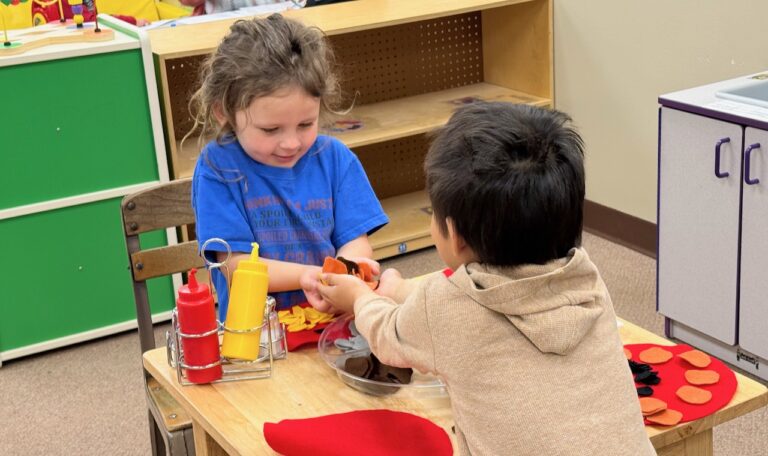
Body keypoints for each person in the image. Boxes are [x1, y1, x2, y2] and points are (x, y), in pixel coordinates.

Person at [315, 102, 656, 455]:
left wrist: (359, 298)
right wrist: (398, 289)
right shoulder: (587, 279)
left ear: (457, 238)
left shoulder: (446, 305)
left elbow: (388, 336)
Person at [190, 14, 388, 321]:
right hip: (257, 340)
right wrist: (310, 277)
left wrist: (345, 272)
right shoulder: (218, 169)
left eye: (306, 124)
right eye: (271, 130)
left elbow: (356, 241)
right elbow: (235, 267)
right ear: (223, 112)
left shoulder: (335, 158)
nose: (291, 143)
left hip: (334, 324)